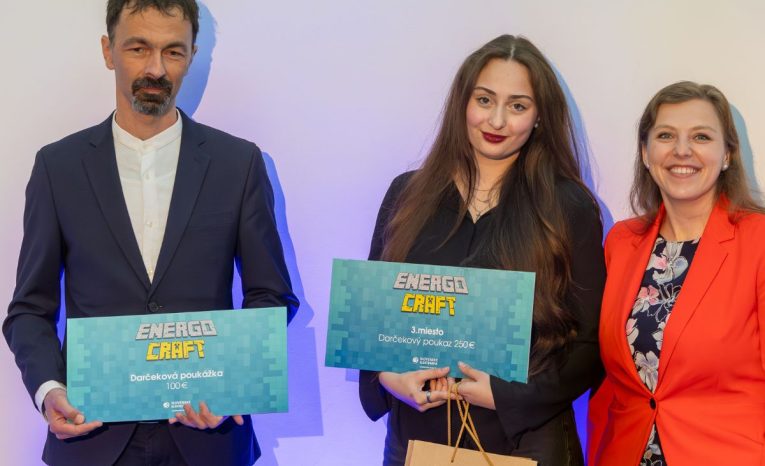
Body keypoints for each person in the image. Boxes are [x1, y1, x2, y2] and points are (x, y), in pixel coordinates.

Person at [2, 1, 298, 465]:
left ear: (192, 56)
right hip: (91, 437)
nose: (156, 69)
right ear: (108, 51)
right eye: (138, 48)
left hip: (208, 440)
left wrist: (231, 385)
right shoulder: (58, 167)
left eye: (173, 51)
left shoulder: (239, 163)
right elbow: (29, 309)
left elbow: (272, 296)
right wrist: (49, 389)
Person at [358, 34, 606, 465]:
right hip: (417, 438)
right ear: (463, 103)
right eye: (485, 100)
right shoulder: (406, 194)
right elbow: (371, 319)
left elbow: (590, 342)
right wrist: (387, 377)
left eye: (517, 106)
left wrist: (509, 395)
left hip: (526, 443)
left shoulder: (568, 206)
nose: (497, 120)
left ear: (539, 117)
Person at [588, 81, 765, 465]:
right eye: (666, 135)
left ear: (727, 154)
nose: (682, 150)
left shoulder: (758, 241)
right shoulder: (621, 241)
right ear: (645, 152)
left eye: (701, 137)